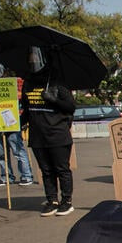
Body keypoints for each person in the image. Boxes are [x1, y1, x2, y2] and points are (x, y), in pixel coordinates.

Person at [20, 47, 76, 216]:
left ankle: (66, 201)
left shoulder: (58, 82)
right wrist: (15, 124)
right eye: (30, 58)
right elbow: (27, 110)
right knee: (46, 171)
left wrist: (53, 99)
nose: (32, 61)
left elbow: (71, 107)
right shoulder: (28, 83)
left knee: (61, 169)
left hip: (57, 134)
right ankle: (51, 200)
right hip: (37, 135)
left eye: (35, 58)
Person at [0, 62, 33, 187]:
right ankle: (6, 176)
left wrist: (22, 118)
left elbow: (22, 99)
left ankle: (26, 175)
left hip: (11, 122)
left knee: (17, 151)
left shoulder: (14, 83)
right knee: (2, 154)